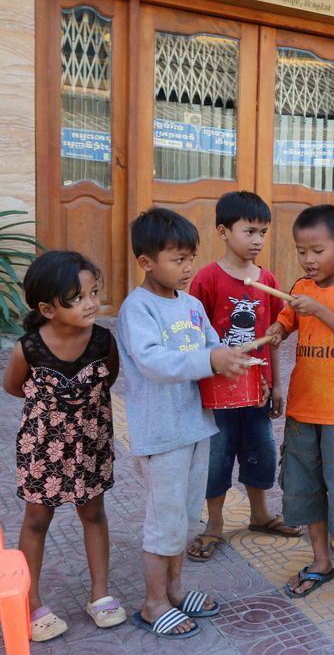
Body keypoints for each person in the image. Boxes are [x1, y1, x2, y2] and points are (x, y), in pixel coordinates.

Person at [116, 208, 251, 639]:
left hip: (197, 427)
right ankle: (153, 603)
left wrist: (236, 355)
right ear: (146, 262)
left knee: (186, 516)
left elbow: (212, 346)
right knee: (164, 520)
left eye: (191, 257)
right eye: (177, 258)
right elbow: (154, 362)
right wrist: (211, 358)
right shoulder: (137, 309)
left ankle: (175, 590)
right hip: (162, 434)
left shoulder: (191, 305)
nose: (188, 267)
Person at [2, 251, 126, 642]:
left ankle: (100, 594)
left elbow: (110, 378)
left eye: (94, 292)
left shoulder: (103, 340)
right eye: (77, 297)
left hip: (91, 442)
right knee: (37, 520)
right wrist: (53, 414)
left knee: (94, 514)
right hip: (44, 448)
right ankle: (31, 602)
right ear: (46, 308)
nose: (91, 303)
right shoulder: (30, 348)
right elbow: (12, 386)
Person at [263, 204, 334, 613]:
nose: (308, 260)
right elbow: (287, 318)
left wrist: (322, 311)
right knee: (306, 489)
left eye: (317, 250)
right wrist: (279, 329)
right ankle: (322, 562)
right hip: (302, 409)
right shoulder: (299, 287)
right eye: (301, 251)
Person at [185, 191, 300, 563]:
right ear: (223, 231)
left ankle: (260, 514)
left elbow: (274, 338)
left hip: (258, 389)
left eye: (263, 232)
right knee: (218, 455)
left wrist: (278, 384)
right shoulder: (206, 280)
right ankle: (214, 523)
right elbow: (195, 339)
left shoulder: (266, 278)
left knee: (260, 450)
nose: (257, 241)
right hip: (218, 393)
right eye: (249, 231)